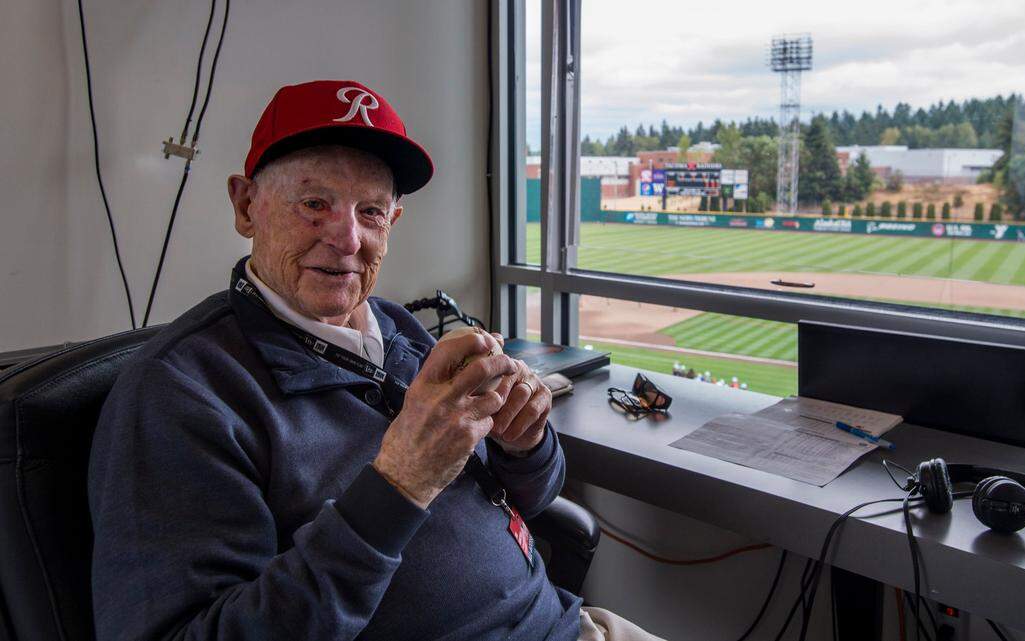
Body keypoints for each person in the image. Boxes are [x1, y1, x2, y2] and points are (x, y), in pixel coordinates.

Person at [89, 80, 664, 641]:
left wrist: (526, 444)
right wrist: (400, 484)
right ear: (246, 206)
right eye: (314, 204)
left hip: (570, 624)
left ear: (393, 223)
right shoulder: (181, 394)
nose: (347, 239)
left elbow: (534, 497)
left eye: (371, 212)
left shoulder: (395, 326)